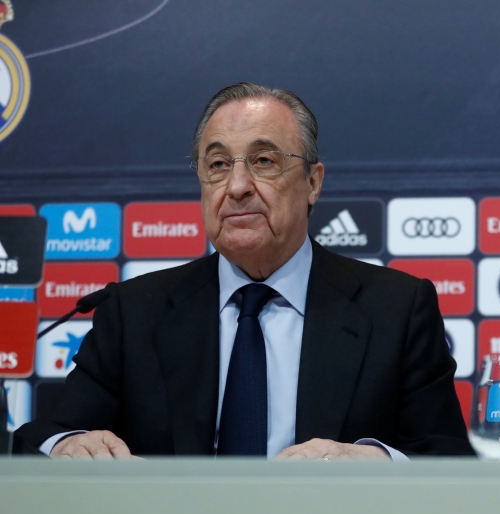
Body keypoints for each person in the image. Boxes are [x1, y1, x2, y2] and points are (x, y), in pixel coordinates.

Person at [16, 83, 474, 459]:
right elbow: (42, 435)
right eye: (217, 165)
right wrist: (70, 446)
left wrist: (376, 462)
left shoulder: (396, 308)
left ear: (313, 182)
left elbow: (450, 459)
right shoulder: (133, 312)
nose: (236, 187)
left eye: (263, 161)